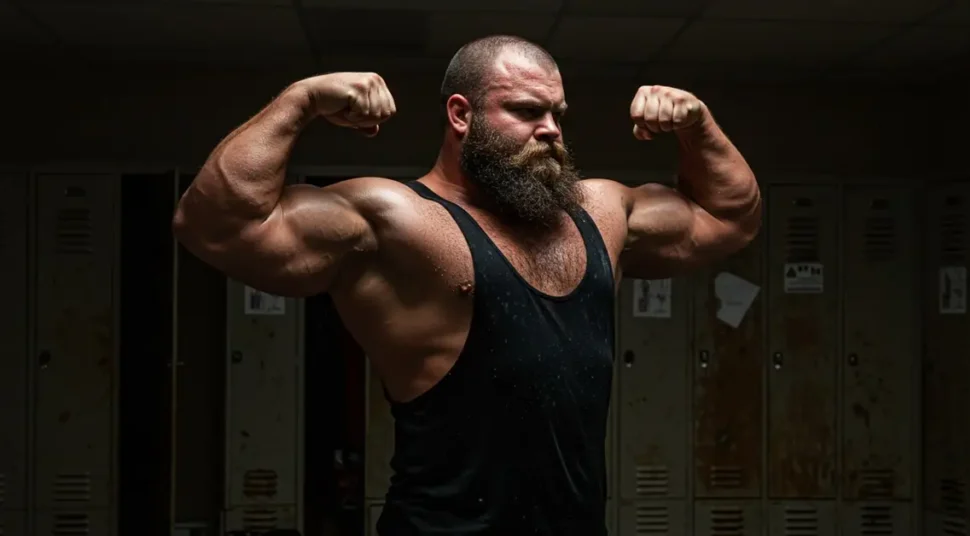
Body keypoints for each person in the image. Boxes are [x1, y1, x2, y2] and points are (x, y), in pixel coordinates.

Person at [173, 35, 761, 535]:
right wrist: (300, 102)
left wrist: (698, 126)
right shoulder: (396, 218)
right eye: (528, 111)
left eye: (557, 113)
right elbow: (215, 226)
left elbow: (729, 218)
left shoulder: (599, 212)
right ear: (462, 114)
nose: (551, 130)